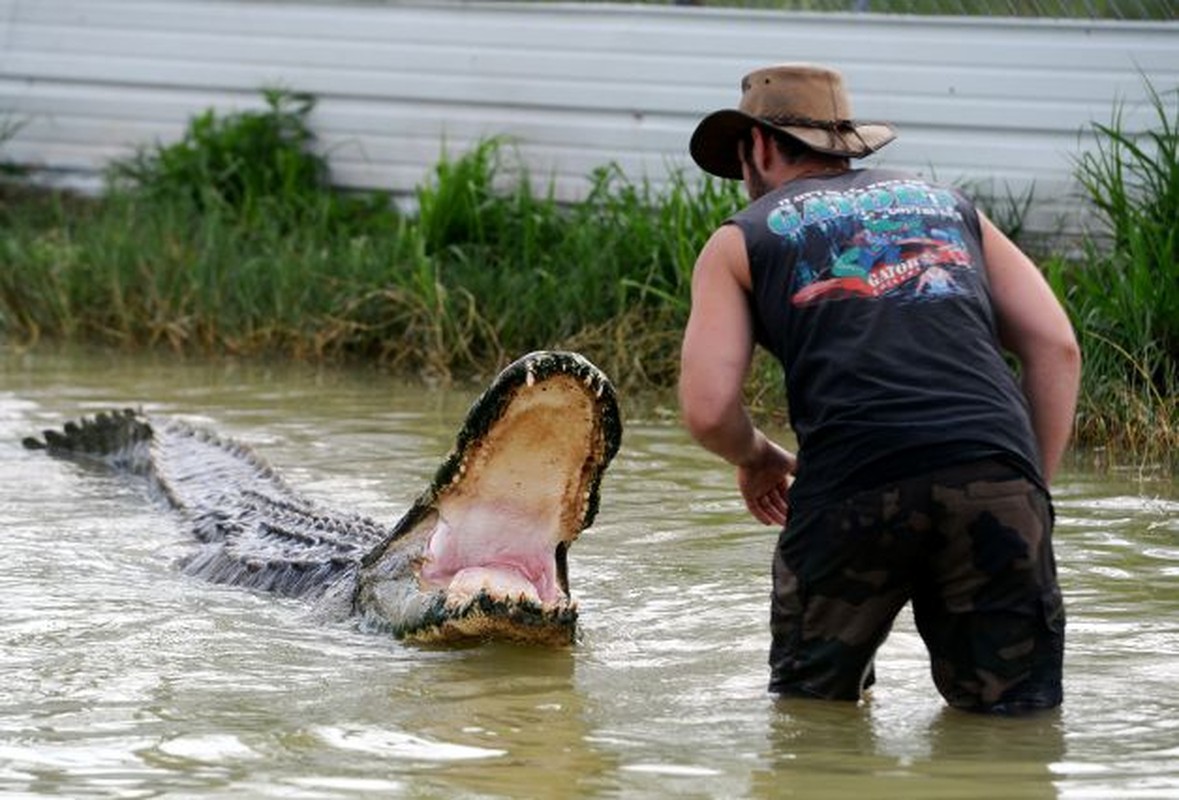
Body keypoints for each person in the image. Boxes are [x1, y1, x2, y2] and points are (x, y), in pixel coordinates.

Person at [678, 62, 1080, 713]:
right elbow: (1056, 348)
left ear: (756, 146)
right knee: (1014, 723)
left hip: (851, 488)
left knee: (812, 721)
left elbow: (706, 409)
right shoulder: (952, 207)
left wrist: (758, 459)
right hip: (995, 475)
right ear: (846, 143)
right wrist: (1024, 485)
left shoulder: (739, 240)